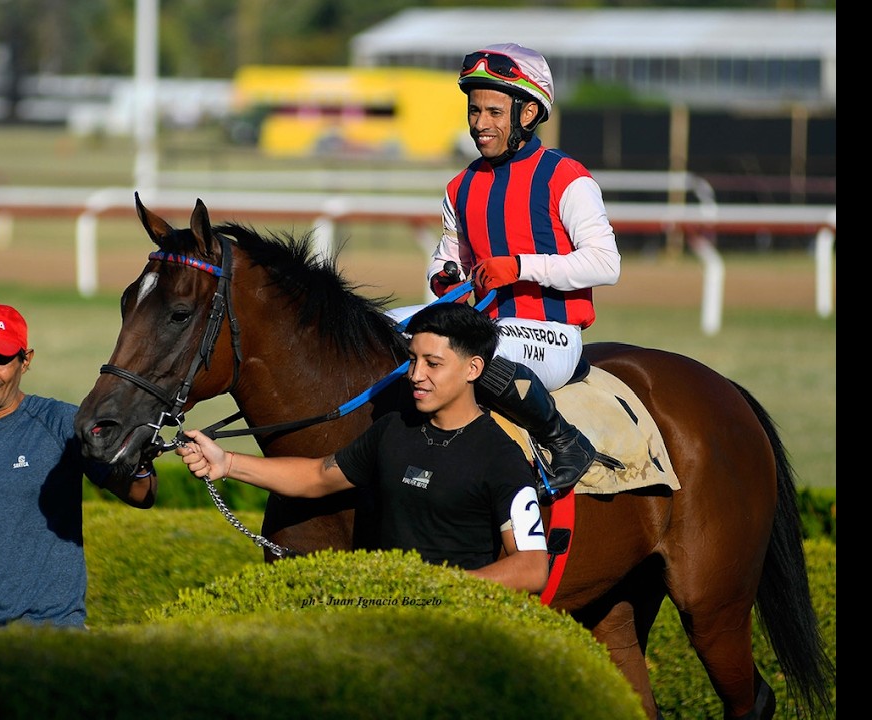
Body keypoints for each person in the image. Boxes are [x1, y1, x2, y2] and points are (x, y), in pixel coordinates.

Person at [176, 302, 550, 594]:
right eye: (413, 359)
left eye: (433, 363)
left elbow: (532, 567)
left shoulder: (501, 456)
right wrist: (226, 463)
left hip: (449, 628)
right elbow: (317, 476)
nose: (415, 375)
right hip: (380, 617)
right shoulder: (393, 429)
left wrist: (443, 590)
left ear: (473, 369)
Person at [420, 42, 622, 492]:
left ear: (527, 114)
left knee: (473, 355)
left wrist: (521, 267)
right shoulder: (460, 187)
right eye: (474, 112)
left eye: (494, 112)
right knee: (395, 332)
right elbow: (448, 258)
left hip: (554, 338)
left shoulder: (567, 177)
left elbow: (607, 263)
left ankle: (565, 441)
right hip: (488, 329)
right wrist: (445, 276)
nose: (480, 125)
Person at [0, 303, 157, 630]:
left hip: (51, 639)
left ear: (26, 361)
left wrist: (139, 461)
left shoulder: (61, 423)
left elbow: (140, 494)